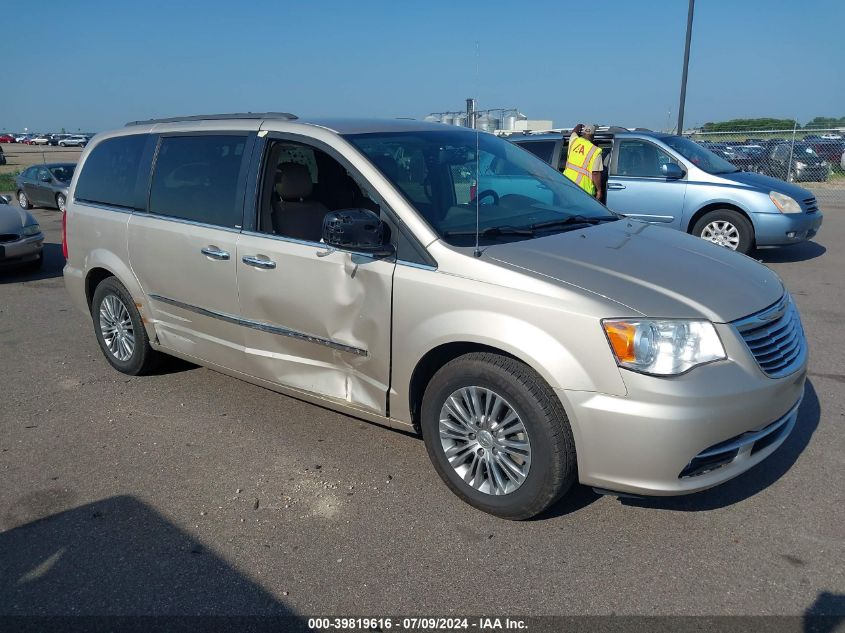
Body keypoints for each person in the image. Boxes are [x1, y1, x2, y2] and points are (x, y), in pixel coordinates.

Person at [563, 123, 604, 201]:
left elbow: (574, 132)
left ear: (583, 133)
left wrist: (579, 125)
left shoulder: (574, 141)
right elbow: (595, 173)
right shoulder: (595, 151)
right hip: (584, 191)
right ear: (593, 136)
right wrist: (599, 190)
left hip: (567, 185)